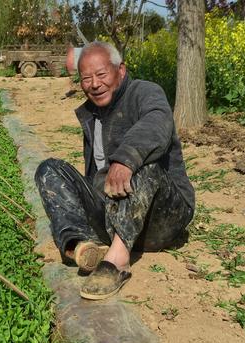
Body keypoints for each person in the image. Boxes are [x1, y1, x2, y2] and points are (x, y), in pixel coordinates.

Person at [35, 41, 195, 300]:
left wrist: (126, 159)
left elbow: (157, 123)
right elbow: (95, 177)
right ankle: (82, 244)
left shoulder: (145, 92)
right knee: (49, 169)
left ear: (120, 70)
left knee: (145, 163)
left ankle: (118, 260)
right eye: (86, 78)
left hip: (162, 218)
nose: (94, 84)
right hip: (115, 214)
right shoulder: (92, 113)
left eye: (101, 75)